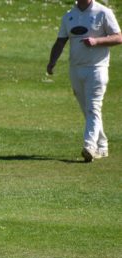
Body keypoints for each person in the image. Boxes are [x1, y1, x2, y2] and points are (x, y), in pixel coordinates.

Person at [47, 0, 122, 162]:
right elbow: (61, 41)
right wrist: (52, 61)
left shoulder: (104, 12)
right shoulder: (69, 16)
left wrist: (97, 42)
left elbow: (118, 37)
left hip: (97, 68)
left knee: (93, 108)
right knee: (87, 109)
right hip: (75, 69)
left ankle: (89, 146)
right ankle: (102, 146)